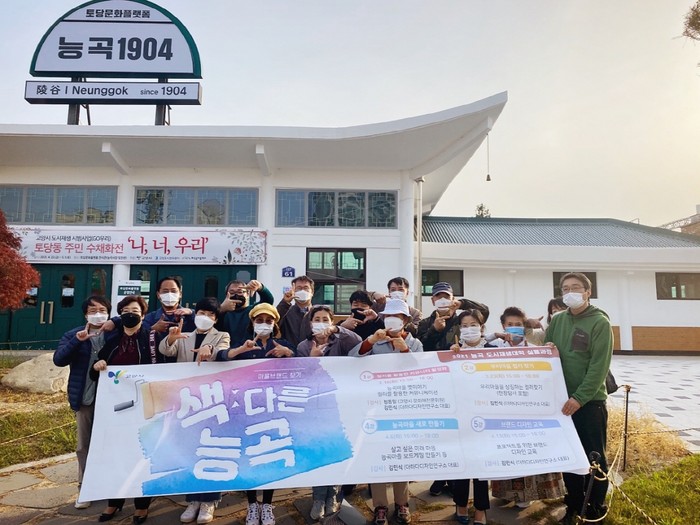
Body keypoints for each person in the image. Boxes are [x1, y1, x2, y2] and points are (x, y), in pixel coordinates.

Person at [217, 303, 295, 525]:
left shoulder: (283, 343)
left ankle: (267, 504)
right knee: (249, 455)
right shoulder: (244, 343)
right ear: (252, 322)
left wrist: (288, 353)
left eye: (268, 321)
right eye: (259, 320)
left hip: (274, 409)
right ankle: (252, 504)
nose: (264, 324)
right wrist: (239, 351)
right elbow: (222, 356)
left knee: (271, 455)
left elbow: (303, 361)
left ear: (275, 324)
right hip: (247, 409)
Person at [545, 273, 613, 524]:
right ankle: (574, 504)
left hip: (589, 402)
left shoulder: (599, 322)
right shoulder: (558, 320)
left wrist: (579, 398)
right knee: (570, 456)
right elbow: (548, 350)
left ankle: (595, 507)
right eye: (565, 288)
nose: (570, 292)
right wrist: (547, 348)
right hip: (562, 402)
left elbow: (599, 366)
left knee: (594, 457)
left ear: (587, 292)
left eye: (575, 287)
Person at [90, 295, 163, 524]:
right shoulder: (112, 339)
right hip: (116, 408)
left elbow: (164, 367)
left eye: (135, 310)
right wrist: (98, 365)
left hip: (145, 404)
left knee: (143, 453)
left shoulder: (152, 338)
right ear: (120, 315)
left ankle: (141, 505)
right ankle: (114, 500)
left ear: (143, 314)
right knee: (116, 454)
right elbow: (95, 372)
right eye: (126, 311)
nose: (130, 314)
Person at [349, 299, 422, 525]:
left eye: (397, 316)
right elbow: (351, 359)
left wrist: (405, 350)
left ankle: (402, 503)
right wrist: (370, 341)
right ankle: (380, 505)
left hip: (403, 407)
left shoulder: (415, 343)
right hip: (377, 407)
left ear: (406, 320)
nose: (392, 320)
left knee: (401, 455)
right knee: (377, 454)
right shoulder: (376, 342)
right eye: (388, 316)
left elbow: (424, 372)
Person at [159, 297, 231, 524]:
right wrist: (170, 338)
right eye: (202, 313)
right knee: (189, 448)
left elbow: (222, 353)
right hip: (186, 400)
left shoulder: (222, 335)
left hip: (211, 399)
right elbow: (166, 351)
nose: (205, 317)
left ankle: (210, 501)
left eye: (210, 315)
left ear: (216, 319)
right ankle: (192, 500)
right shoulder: (184, 336)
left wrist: (211, 349)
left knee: (211, 448)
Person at [487, 306, 565, 507]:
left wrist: (549, 350)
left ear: (524, 326)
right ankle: (505, 492)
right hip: (503, 407)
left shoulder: (534, 347)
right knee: (506, 449)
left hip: (530, 407)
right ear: (503, 325)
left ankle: (526, 495)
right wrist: (495, 335)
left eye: (518, 324)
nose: (514, 327)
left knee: (527, 449)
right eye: (509, 324)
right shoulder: (494, 347)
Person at [416, 281, 488, 496]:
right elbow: (421, 348)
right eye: (438, 297)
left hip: (464, 381)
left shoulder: (463, 318)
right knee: (443, 432)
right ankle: (442, 476)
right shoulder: (425, 322)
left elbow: (484, 311)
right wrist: (435, 330)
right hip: (437, 381)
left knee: (462, 431)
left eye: (446, 296)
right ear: (432, 300)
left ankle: (458, 480)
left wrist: (462, 303)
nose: (442, 300)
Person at [53, 295, 114, 509]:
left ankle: (110, 486)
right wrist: (76, 341)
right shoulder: (74, 334)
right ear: (85, 314)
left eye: (102, 310)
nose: (98, 314)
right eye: (93, 310)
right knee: (84, 445)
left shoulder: (115, 333)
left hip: (113, 400)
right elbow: (59, 359)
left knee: (111, 443)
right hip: (85, 398)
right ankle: (85, 488)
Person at [218, 279, 274, 345]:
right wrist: (220, 309)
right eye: (232, 293)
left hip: (251, 348)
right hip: (229, 350)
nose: (236, 295)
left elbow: (268, 301)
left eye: (240, 292)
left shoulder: (254, 310)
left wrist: (260, 287)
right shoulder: (223, 313)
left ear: (247, 294)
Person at [296, 305, 362, 357]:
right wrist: (312, 358)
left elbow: (358, 341)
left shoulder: (340, 341)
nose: (321, 323)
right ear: (311, 323)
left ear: (331, 322)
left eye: (325, 320)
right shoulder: (303, 347)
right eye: (317, 320)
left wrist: (337, 329)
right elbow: (302, 368)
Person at [276, 275, 314, 346]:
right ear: (293, 291)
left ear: (312, 292)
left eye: (306, 288)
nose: (302, 291)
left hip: (312, 352)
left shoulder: (317, 313)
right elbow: (274, 321)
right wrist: (285, 302)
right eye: (299, 288)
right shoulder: (286, 312)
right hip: (289, 351)